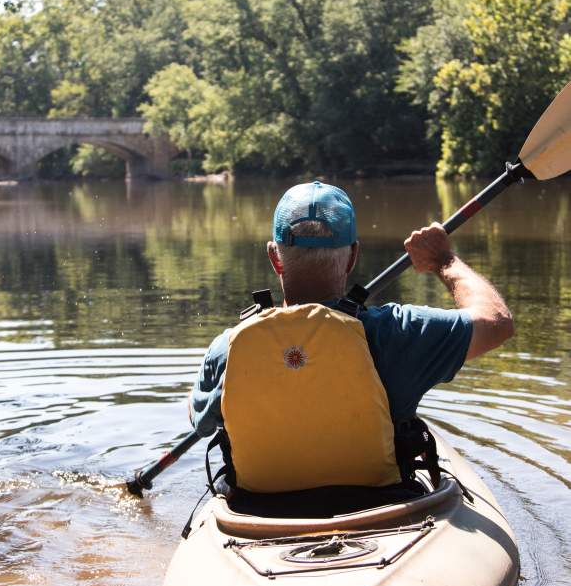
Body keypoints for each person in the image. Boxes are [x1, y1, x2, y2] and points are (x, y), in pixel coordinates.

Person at [189, 181, 513, 516]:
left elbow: (199, 421)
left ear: (275, 257)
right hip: (382, 509)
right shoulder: (397, 334)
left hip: (256, 514)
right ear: (352, 256)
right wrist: (444, 261)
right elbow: (497, 321)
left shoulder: (229, 348)